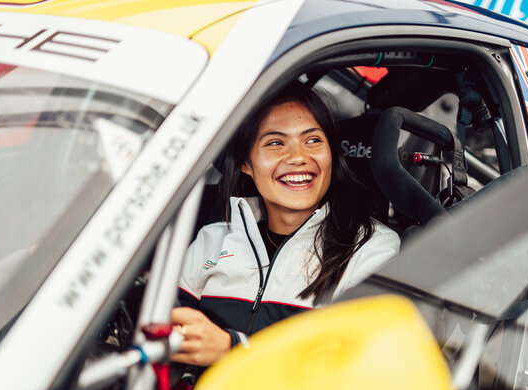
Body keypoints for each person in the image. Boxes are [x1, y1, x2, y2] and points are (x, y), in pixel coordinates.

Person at [168, 83, 400, 367]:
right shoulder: (213, 239)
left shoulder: (371, 248)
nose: (299, 157)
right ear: (245, 163)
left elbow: (352, 368)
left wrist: (235, 350)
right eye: (276, 143)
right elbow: (166, 330)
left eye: (313, 140)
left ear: (331, 154)